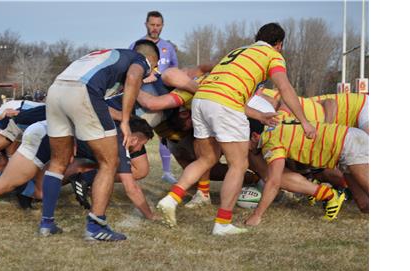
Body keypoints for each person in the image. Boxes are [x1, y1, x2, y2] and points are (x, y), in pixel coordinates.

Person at [156, 23, 316, 236]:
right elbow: (285, 88)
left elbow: (227, 90)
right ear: (279, 44)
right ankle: (222, 223)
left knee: (205, 160)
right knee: (239, 165)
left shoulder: (238, 50)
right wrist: (304, 121)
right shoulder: (272, 55)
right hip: (225, 104)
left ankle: (172, 198)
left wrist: (259, 115)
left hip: (201, 100)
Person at [40, 40, 159, 241]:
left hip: (56, 89)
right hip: (83, 91)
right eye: (154, 67)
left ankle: (46, 223)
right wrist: (127, 120)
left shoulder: (105, 55)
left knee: (58, 162)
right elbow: (133, 76)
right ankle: (96, 226)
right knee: (109, 162)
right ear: (152, 60)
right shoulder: (141, 60)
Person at [245, 118, 368, 226]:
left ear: (255, 136)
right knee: (364, 205)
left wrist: (257, 215)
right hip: (348, 141)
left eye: (244, 142)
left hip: (350, 144)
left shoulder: (270, 142)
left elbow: (274, 182)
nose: (242, 146)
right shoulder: (275, 125)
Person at [130, 10, 180, 185]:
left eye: (158, 25)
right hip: (144, 97)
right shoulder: (137, 45)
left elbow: (175, 71)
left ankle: (166, 171)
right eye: (152, 24)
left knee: (165, 136)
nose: (155, 28)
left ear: (162, 26)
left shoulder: (169, 47)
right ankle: (129, 167)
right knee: (136, 130)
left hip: (162, 97)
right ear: (146, 24)